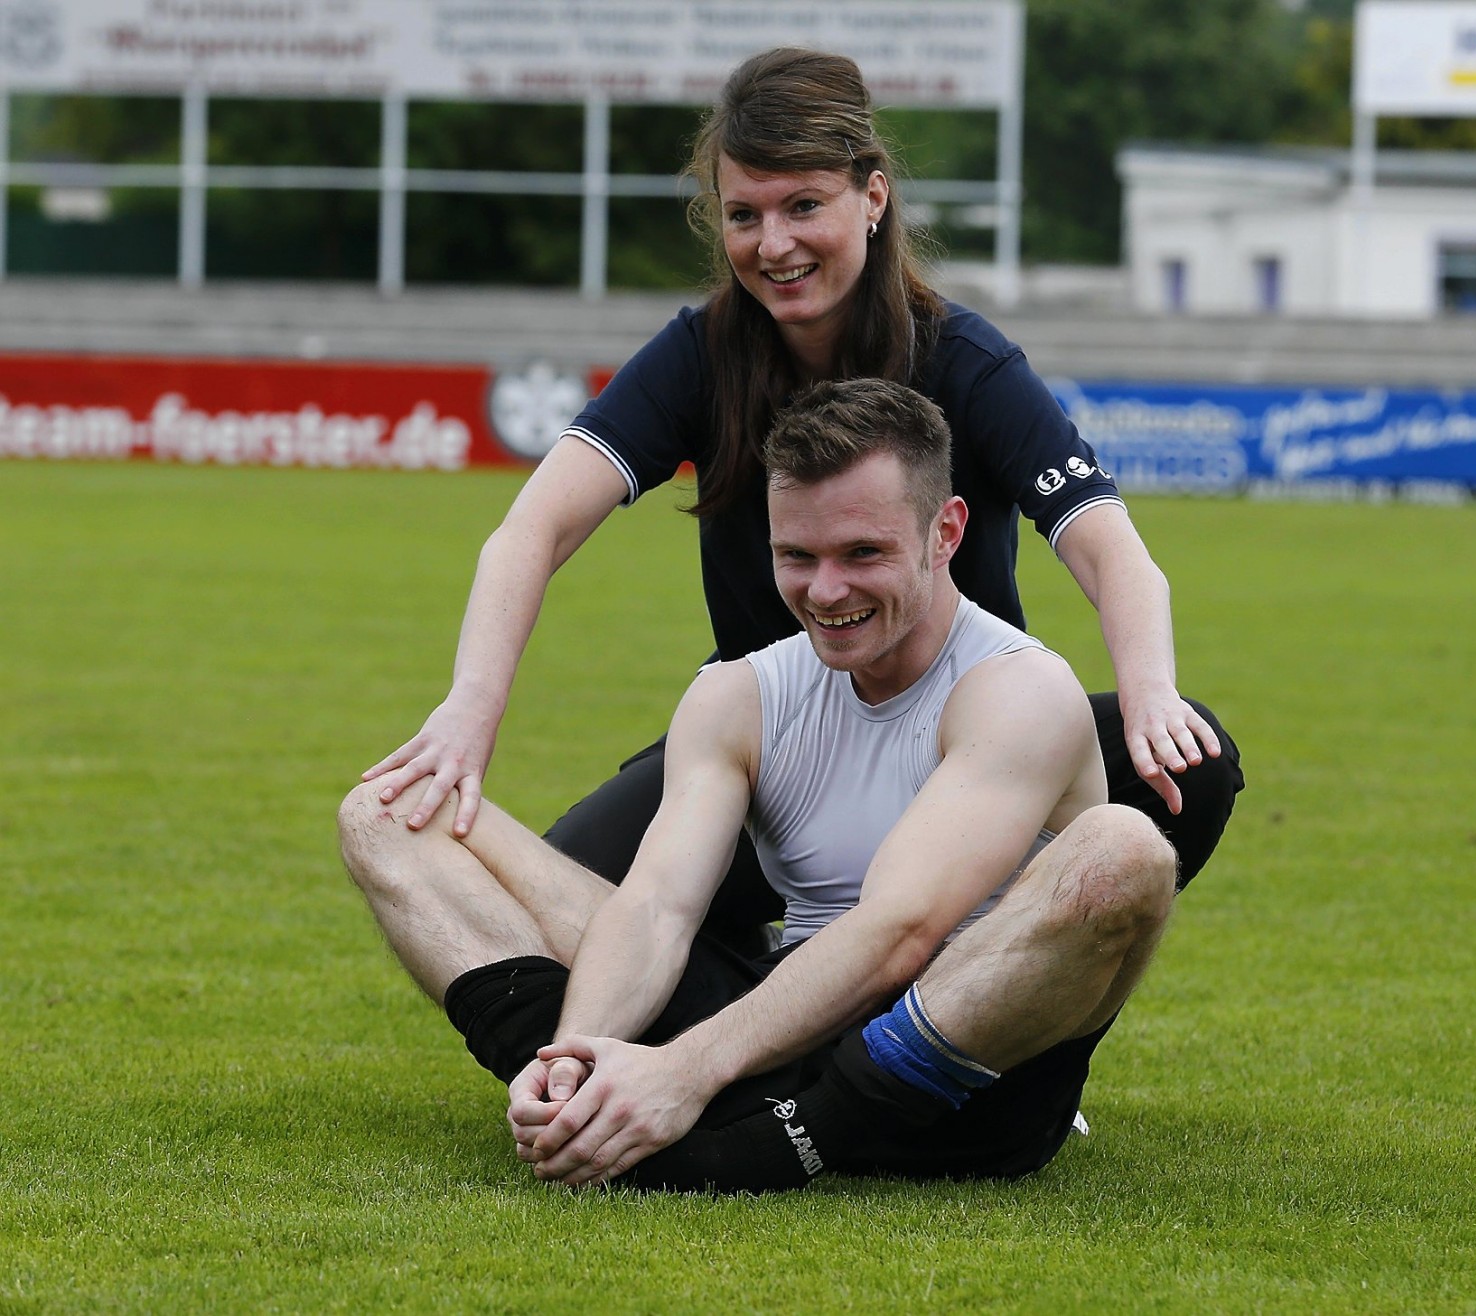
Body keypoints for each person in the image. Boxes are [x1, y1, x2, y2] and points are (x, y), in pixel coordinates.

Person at [359, 45, 1241, 954]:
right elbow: (530, 530)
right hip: (766, 763)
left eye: (803, 206)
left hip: (962, 755)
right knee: (556, 913)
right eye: (743, 215)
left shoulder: (967, 364)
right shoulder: (699, 357)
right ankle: (751, 1028)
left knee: (1190, 762)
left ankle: (1011, 1050)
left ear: (874, 196)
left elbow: (1109, 546)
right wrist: (470, 709)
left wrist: (1149, 693)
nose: (772, 245)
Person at [340, 378, 1178, 1192]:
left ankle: (782, 1144)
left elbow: (901, 933)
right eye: (796, 556)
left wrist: (684, 1070)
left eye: (863, 553)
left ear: (946, 532)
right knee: (389, 812)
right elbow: (660, 907)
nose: (826, 590)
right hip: (785, 1024)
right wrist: (575, 1054)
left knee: (1125, 852)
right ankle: (592, 1108)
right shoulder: (737, 695)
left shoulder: (1018, 690)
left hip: (962, 1079)